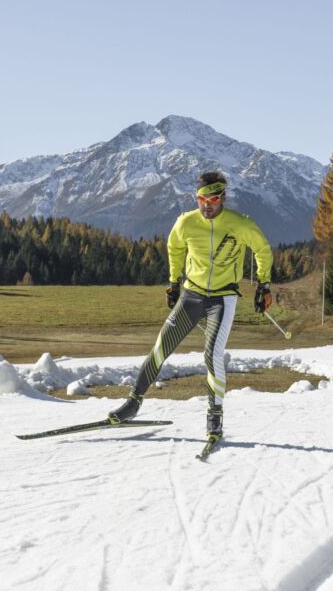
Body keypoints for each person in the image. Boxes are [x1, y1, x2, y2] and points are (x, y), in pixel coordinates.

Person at [107, 171, 274, 443]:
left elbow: (263, 249)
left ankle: (215, 416)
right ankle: (133, 404)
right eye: (201, 199)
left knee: (212, 355)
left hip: (223, 298)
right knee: (161, 348)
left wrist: (263, 284)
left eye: (213, 199)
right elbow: (174, 248)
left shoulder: (240, 224)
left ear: (222, 198)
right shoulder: (186, 222)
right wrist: (173, 283)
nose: (206, 205)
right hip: (192, 296)